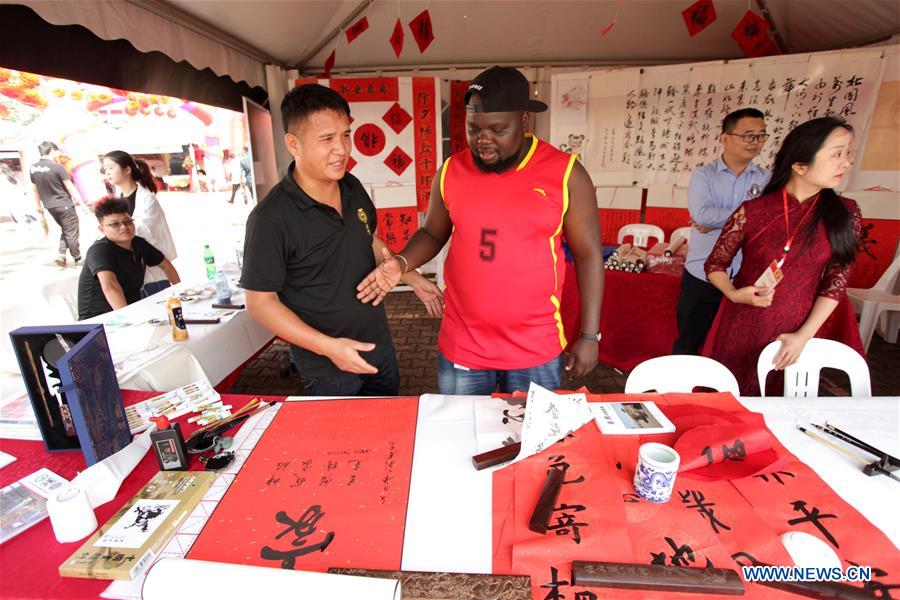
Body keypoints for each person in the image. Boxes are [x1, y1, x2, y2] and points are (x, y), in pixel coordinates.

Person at [357, 66, 604, 395]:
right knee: (461, 441)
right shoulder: (451, 172)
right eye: (474, 129)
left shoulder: (566, 174)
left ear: (524, 122)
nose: (483, 140)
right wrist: (400, 263)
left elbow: (588, 256)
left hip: (535, 349)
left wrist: (589, 336)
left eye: (498, 129)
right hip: (465, 346)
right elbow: (432, 233)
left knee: (532, 443)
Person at [240, 84, 443, 396]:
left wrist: (412, 278)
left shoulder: (351, 186)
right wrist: (328, 347)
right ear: (293, 143)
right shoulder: (270, 219)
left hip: (379, 343)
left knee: (387, 424)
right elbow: (260, 303)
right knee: (347, 440)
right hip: (327, 363)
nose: (342, 149)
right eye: (327, 139)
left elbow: (368, 240)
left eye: (345, 135)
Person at [702, 116, 862, 395]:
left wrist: (803, 336)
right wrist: (733, 293)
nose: (846, 163)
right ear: (800, 165)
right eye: (837, 154)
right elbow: (715, 263)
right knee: (732, 399)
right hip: (743, 323)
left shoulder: (845, 213)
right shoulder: (753, 211)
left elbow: (836, 283)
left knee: (786, 403)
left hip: (799, 328)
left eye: (848, 154)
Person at [673, 108, 771, 355]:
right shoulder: (703, 175)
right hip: (702, 273)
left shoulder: (767, 179)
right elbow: (702, 215)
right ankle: (679, 392)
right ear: (725, 138)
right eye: (748, 135)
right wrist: (750, 216)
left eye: (760, 136)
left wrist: (720, 219)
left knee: (733, 346)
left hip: (746, 276)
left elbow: (770, 218)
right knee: (689, 343)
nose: (755, 142)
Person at [78, 197, 180, 320]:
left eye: (127, 222)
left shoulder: (138, 243)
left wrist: (180, 292)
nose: (123, 227)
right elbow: (110, 286)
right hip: (100, 320)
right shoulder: (99, 250)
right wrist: (129, 319)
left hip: (132, 310)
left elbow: (165, 265)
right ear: (102, 229)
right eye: (114, 224)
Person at [102, 151, 178, 296]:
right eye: (105, 169)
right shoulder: (117, 200)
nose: (107, 172)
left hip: (153, 275)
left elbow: (137, 234)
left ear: (127, 170)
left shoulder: (146, 200)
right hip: (132, 277)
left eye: (111, 167)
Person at [29, 141, 84, 267]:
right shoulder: (57, 167)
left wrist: (38, 205)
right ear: (52, 150)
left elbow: (34, 188)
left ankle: (61, 255)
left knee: (66, 228)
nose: (59, 154)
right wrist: (82, 202)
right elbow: (69, 186)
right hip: (64, 203)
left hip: (49, 205)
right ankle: (78, 258)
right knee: (71, 230)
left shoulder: (33, 168)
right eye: (58, 151)